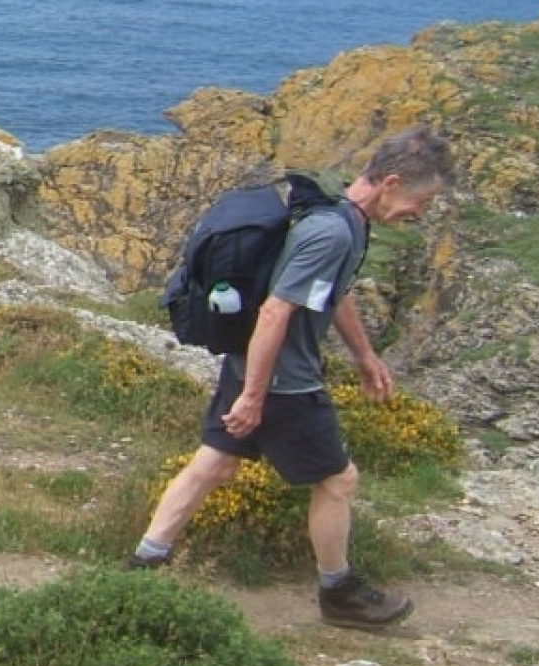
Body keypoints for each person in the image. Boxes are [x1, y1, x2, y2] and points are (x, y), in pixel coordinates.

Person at [128, 124, 455, 628]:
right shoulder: (333, 231)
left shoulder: (337, 215)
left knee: (214, 464)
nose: (419, 212)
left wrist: (365, 355)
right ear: (391, 182)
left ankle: (142, 564)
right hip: (285, 381)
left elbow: (332, 292)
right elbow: (277, 311)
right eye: (421, 200)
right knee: (338, 480)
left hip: (250, 364)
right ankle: (339, 592)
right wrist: (257, 396)